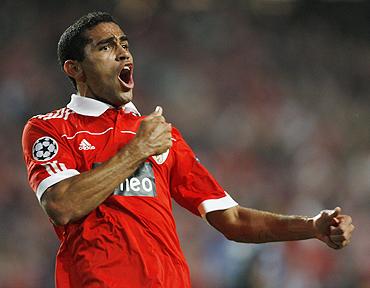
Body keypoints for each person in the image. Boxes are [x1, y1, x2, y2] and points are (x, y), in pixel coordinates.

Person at [22, 11, 354, 288]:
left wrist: (311, 227)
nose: (123, 53)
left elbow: (232, 219)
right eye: (106, 47)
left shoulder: (157, 133)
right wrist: (137, 151)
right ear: (74, 68)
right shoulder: (50, 128)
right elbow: (61, 204)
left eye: (124, 44)